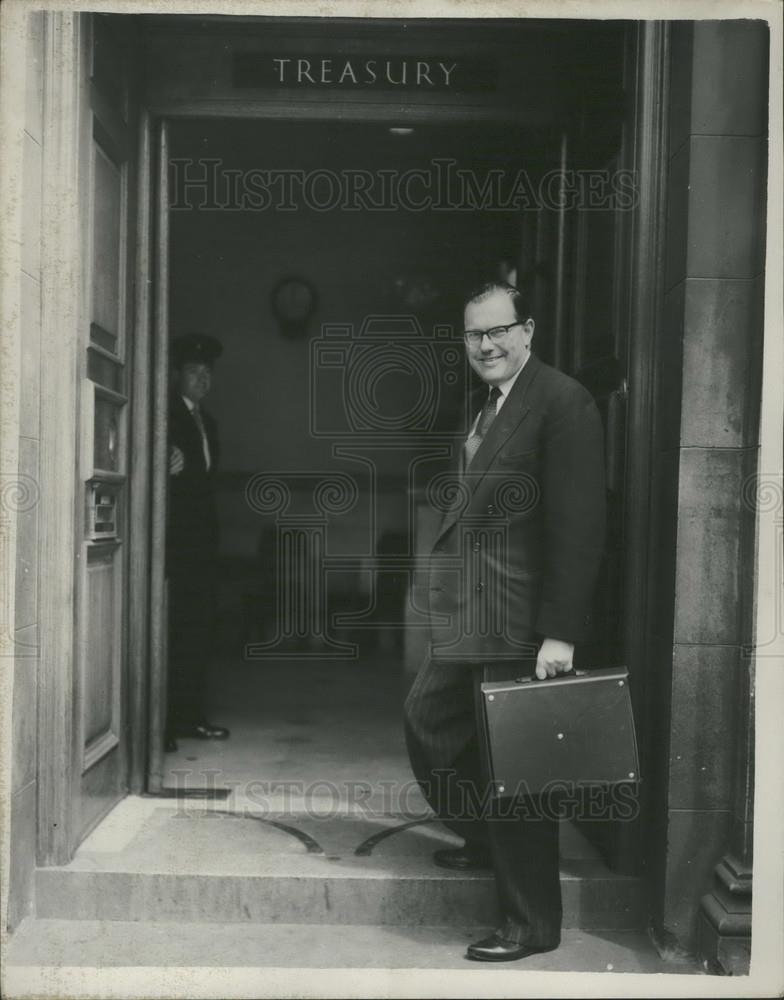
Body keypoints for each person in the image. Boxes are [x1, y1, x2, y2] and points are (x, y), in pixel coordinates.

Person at [404, 282, 606, 962]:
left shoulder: (562, 401)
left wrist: (561, 632)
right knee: (430, 723)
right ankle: (484, 836)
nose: (485, 345)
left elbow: (579, 528)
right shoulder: (488, 401)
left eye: (498, 331)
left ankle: (530, 924)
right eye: (472, 335)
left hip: (521, 618)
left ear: (529, 331)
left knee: (516, 766)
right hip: (471, 613)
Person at [165, 333, 230, 753]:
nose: (202, 379)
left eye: (207, 373)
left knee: (197, 632)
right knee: (173, 632)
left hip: (201, 546)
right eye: (194, 372)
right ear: (178, 375)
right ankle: (165, 723)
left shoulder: (207, 422)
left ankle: (191, 718)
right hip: (175, 545)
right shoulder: (166, 417)